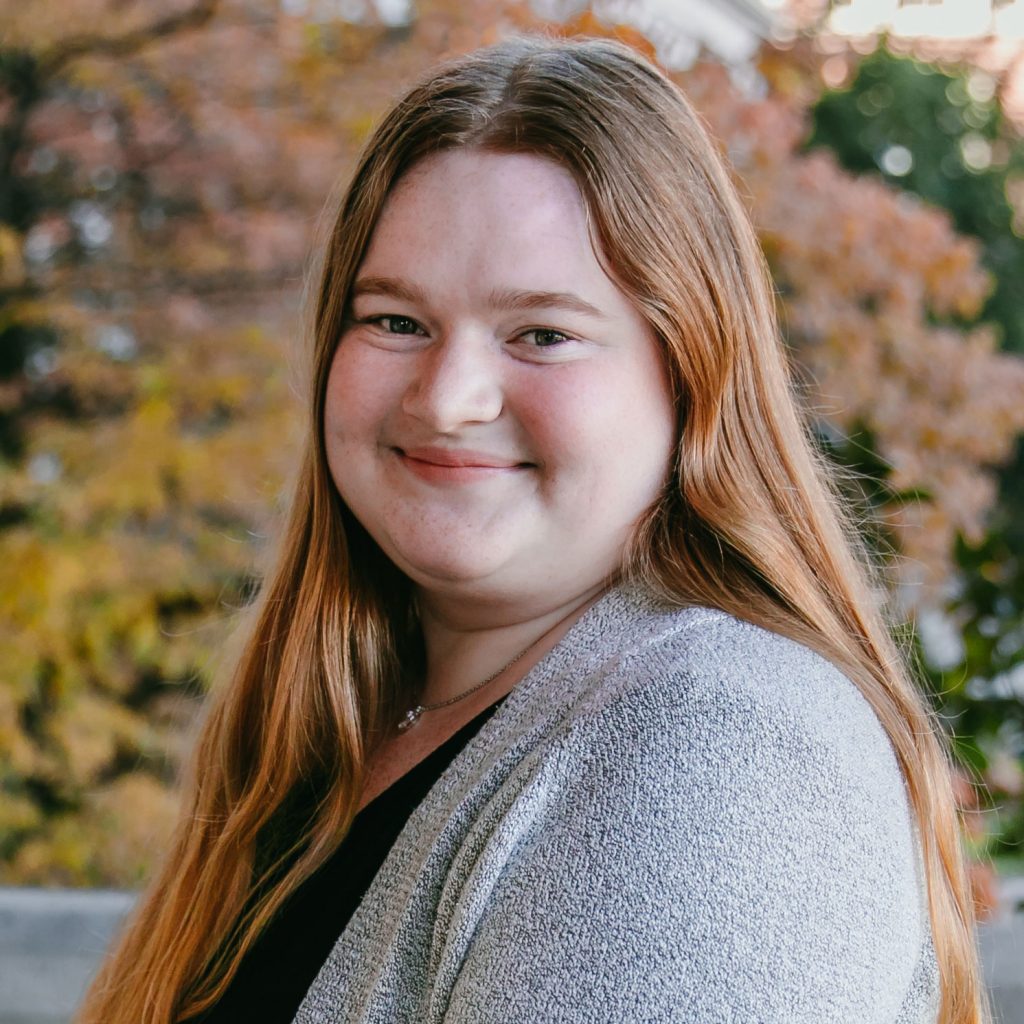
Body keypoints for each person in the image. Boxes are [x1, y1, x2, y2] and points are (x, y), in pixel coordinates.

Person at [77, 33, 990, 1024]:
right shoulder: (330, 732)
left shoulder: (722, 744)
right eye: (394, 321)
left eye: (542, 334)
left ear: (689, 376)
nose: (448, 399)